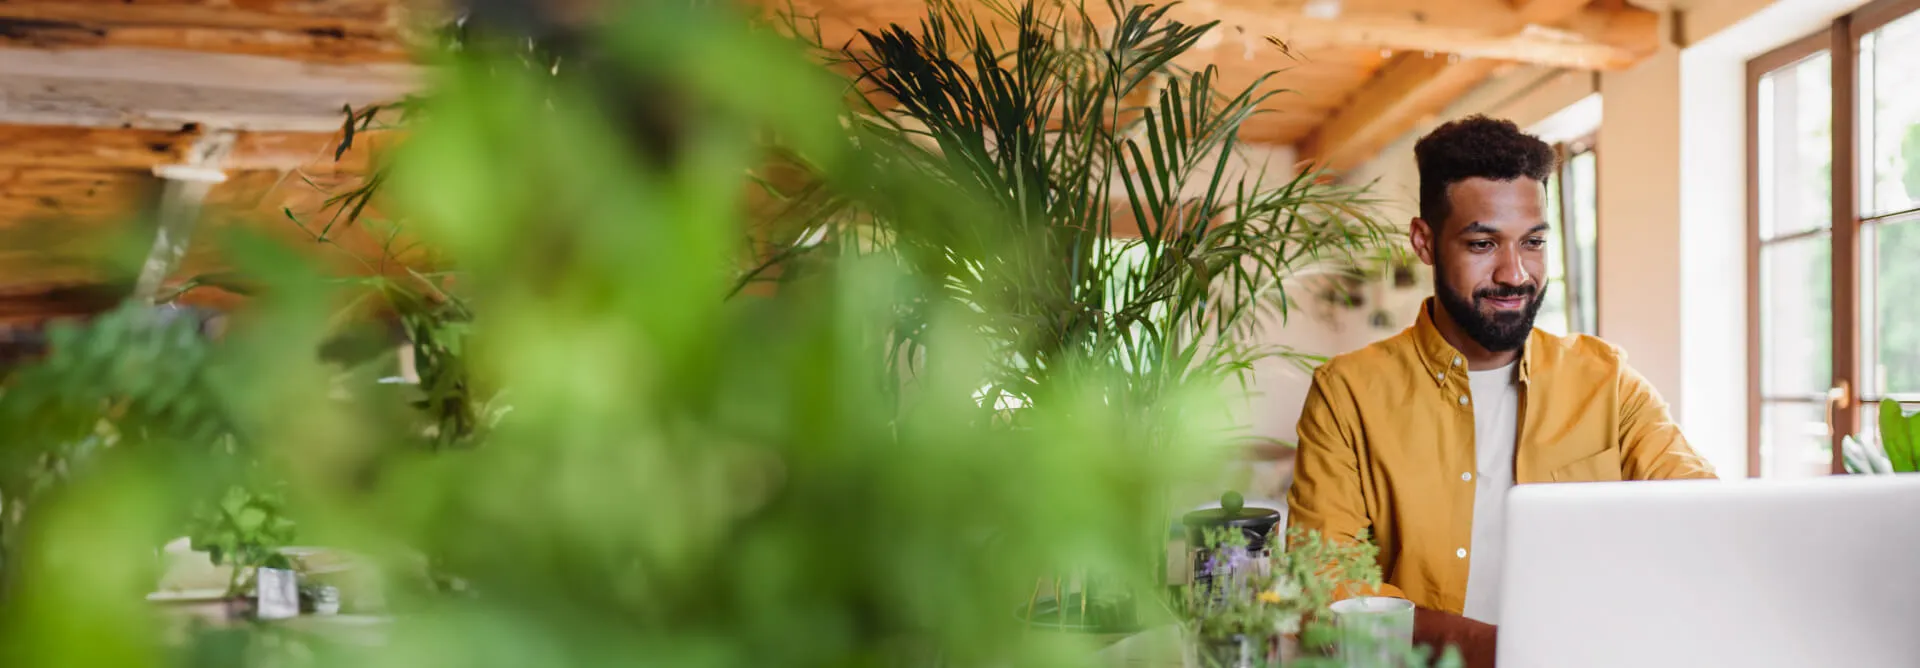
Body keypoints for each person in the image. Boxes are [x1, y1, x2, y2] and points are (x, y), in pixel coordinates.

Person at [1283, 115, 1717, 667]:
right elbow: (1324, 593)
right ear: (1425, 242)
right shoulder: (1347, 394)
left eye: (1533, 242)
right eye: (1483, 243)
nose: (1515, 273)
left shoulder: (1607, 381)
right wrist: (1503, 651)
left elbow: (1703, 515)